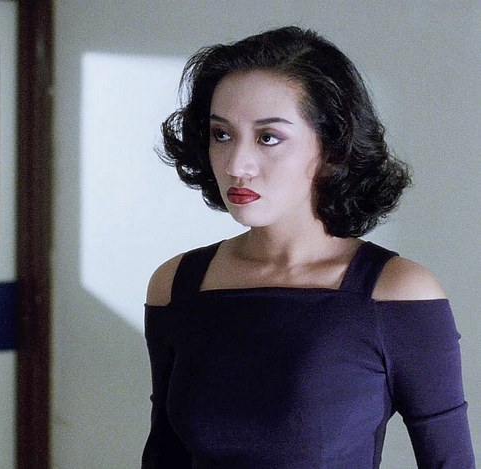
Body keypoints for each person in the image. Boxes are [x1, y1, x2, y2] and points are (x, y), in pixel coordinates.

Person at [143, 26, 475, 468]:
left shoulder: (396, 294)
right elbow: (163, 456)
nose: (237, 165)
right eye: (222, 134)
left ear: (332, 146)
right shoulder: (177, 285)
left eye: (268, 137)